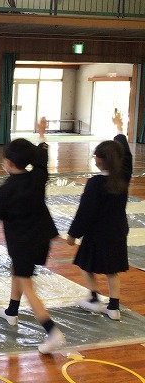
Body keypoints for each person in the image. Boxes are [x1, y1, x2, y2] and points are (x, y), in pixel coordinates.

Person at [0, 117, 66, 354]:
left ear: (8, 162)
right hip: (41, 237)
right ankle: (11, 311)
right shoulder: (38, 178)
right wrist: (41, 135)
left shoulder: (3, 191)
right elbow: (42, 159)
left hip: (21, 242)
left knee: (27, 284)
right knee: (17, 272)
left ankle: (52, 331)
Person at [67, 110, 132, 321]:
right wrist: (120, 129)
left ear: (100, 160)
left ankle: (94, 298)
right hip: (117, 232)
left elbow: (85, 212)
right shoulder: (123, 177)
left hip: (96, 235)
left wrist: (72, 234)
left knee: (86, 265)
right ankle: (114, 307)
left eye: (95, 155)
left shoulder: (96, 184)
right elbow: (127, 156)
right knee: (112, 271)